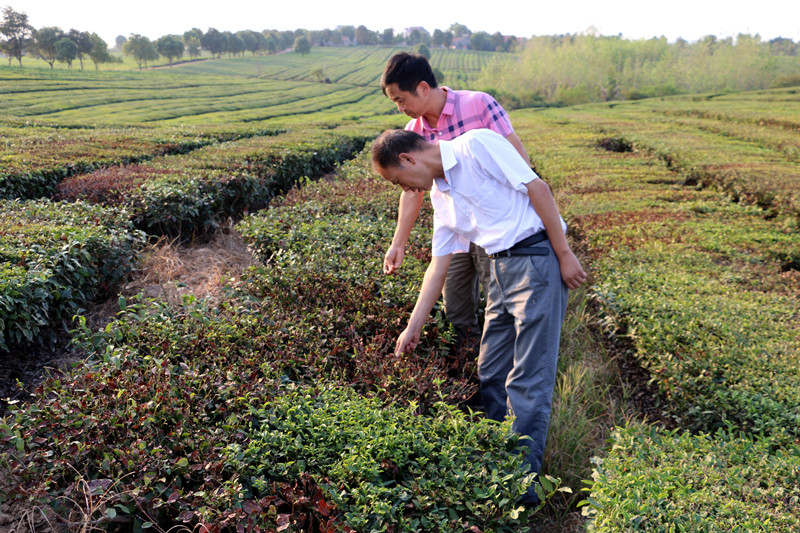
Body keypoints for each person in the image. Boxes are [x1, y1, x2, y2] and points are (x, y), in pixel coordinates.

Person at [371, 127, 586, 505]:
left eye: (398, 181)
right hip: (499, 270)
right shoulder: (440, 196)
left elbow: (538, 189)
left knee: (528, 378)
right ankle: (499, 458)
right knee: (491, 369)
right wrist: (412, 326)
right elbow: (438, 266)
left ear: (408, 159)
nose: (404, 189)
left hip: (536, 259)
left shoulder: (476, 145)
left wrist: (564, 253)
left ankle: (522, 487)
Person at [380, 52, 530, 350]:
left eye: (400, 99)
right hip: (455, 226)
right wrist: (398, 243)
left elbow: (520, 164)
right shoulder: (414, 133)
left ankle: (501, 362)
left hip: (495, 226)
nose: (400, 108)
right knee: (456, 305)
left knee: (499, 300)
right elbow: (412, 192)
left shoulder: (478, 104)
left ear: (423, 88)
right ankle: (470, 363)